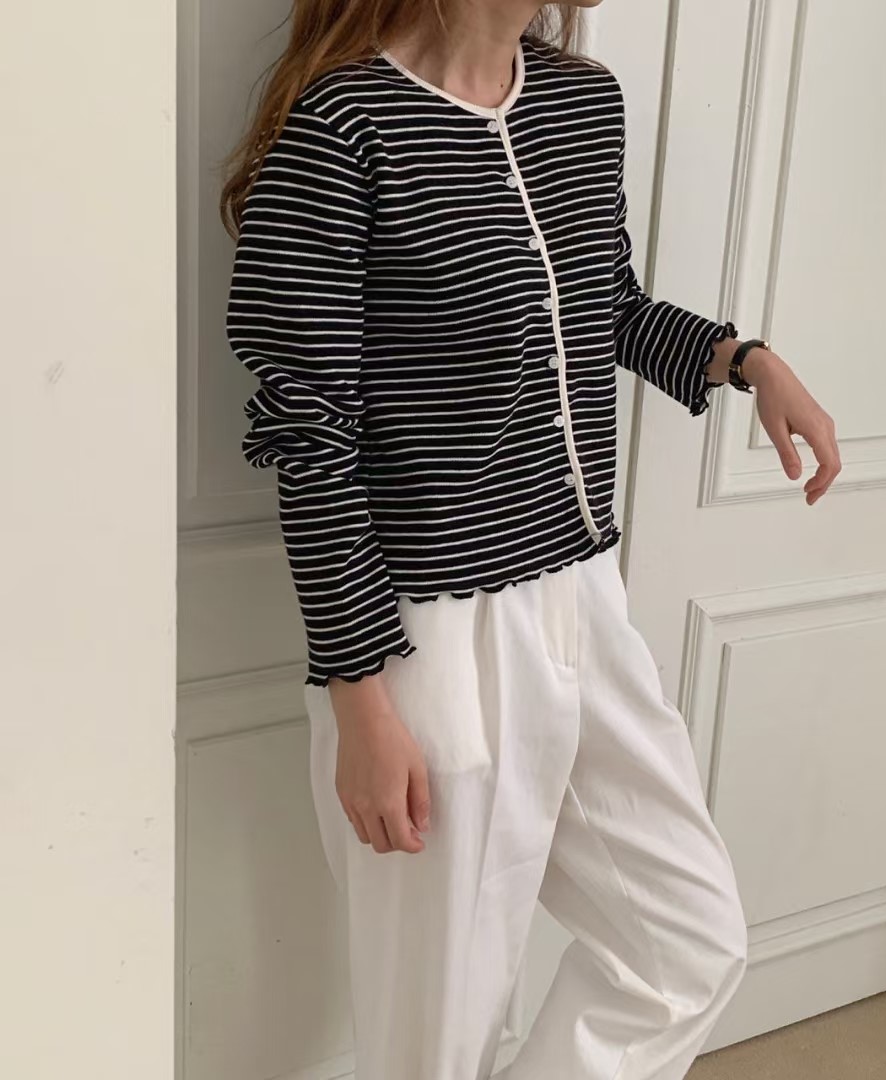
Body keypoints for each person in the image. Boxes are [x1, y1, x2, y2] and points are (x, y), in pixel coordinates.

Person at [220, 2, 840, 1077]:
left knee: (688, 948)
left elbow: (605, 304)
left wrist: (743, 360)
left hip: (583, 597)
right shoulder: (343, 127)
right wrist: (361, 699)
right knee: (434, 1041)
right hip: (427, 636)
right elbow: (308, 437)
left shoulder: (580, 102)